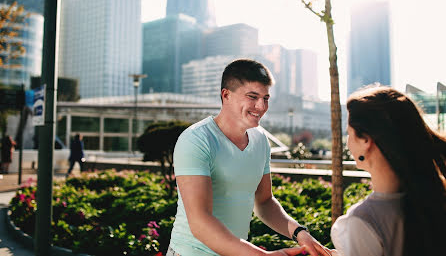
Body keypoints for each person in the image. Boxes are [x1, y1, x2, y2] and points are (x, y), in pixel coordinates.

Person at [167, 59, 331, 256]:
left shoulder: (260, 139)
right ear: (226, 95)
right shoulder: (196, 140)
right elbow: (200, 222)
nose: (261, 106)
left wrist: (299, 233)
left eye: (266, 98)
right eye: (252, 97)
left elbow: (264, 201)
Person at [330, 85, 446, 256]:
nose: (347, 142)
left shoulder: (363, 220)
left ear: (366, 140)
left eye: (349, 133)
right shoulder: (433, 197)